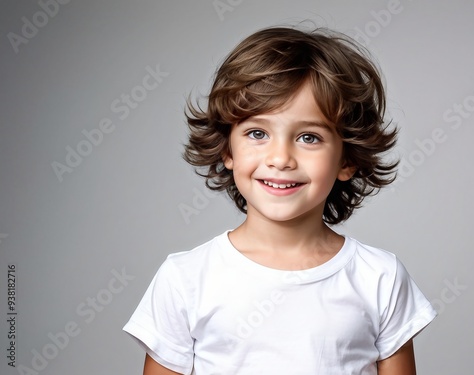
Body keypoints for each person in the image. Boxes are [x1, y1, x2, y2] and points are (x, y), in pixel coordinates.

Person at [123, 25, 437, 375]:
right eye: (258, 133)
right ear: (228, 148)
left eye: (308, 137)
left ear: (347, 160)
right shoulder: (185, 278)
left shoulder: (380, 278)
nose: (281, 158)